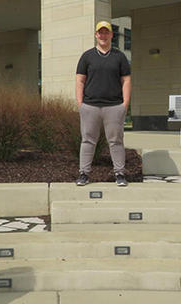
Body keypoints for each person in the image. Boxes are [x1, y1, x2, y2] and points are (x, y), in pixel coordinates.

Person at [75, 20, 131, 186]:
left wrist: (125, 104)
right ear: (96, 35)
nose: (103, 35)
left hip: (114, 107)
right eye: (100, 32)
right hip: (90, 106)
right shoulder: (87, 56)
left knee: (116, 141)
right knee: (87, 141)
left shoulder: (119, 57)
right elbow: (80, 81)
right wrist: (80, 103)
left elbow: (126, 81)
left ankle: (120, 174)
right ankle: (83, 174)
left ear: (111, 35)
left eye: (106, 32)